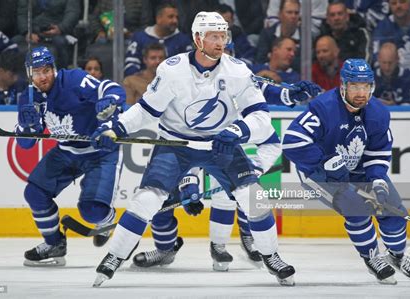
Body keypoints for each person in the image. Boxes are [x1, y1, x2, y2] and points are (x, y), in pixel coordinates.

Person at [91, 11, 296, 287]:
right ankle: (115, 256)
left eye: (223, 35)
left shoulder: (237, 70)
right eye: (214, 36)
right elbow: (145, 111)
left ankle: (271, 255)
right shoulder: (172, 69)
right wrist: (115, 129)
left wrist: (236, 131)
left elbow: (260, 117)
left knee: (254, 197)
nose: (220, 41)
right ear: (198, 38)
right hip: (176, 145)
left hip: (220, 144)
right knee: (147, 200)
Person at [282, 58, 410, 284]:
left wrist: (377, 179)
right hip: (319, 175)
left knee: (394, 209)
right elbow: (292, 142)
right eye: (355, 86)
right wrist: (325, 165)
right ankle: (372, 257)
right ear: (343, 86)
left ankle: (397, 255)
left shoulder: (378, 112)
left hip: (359, 170)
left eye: (366, 86)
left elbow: (378, 150)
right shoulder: (324, 107)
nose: (361, 92)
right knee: (357, 210)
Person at [16, 46, 127, 267]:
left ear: (54, 69)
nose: (42, 76)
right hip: (66, 151)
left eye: (46, 70)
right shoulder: (28, 98)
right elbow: (26, 144)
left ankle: (106, 219)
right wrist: (26, 126)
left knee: (92, 212)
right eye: (36, 72)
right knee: (35, 193)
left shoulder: (74, 79)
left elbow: (113, 89)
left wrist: (109, 100)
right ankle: (54, 243)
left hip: (99, 151)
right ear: (30, 74)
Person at [124, 3, 193, 77]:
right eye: (170, 17)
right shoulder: (139, 37)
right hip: (142, 84)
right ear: (158, 19)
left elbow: (189, 68)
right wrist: (140, 81)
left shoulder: (184, 40)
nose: (175, 21)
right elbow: (130, 64)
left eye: (177, 17)